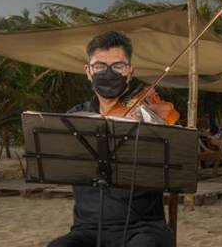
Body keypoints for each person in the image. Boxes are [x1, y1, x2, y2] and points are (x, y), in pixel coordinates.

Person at [48, 31, 173, 247]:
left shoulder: (147, 110)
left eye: (118, 66)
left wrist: (150, 124)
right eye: (99, 66)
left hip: (144, 227)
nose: (108, 73)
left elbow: (174, 163)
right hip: (88, 229)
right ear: (88, 72)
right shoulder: (74, 119)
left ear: (130, 72)